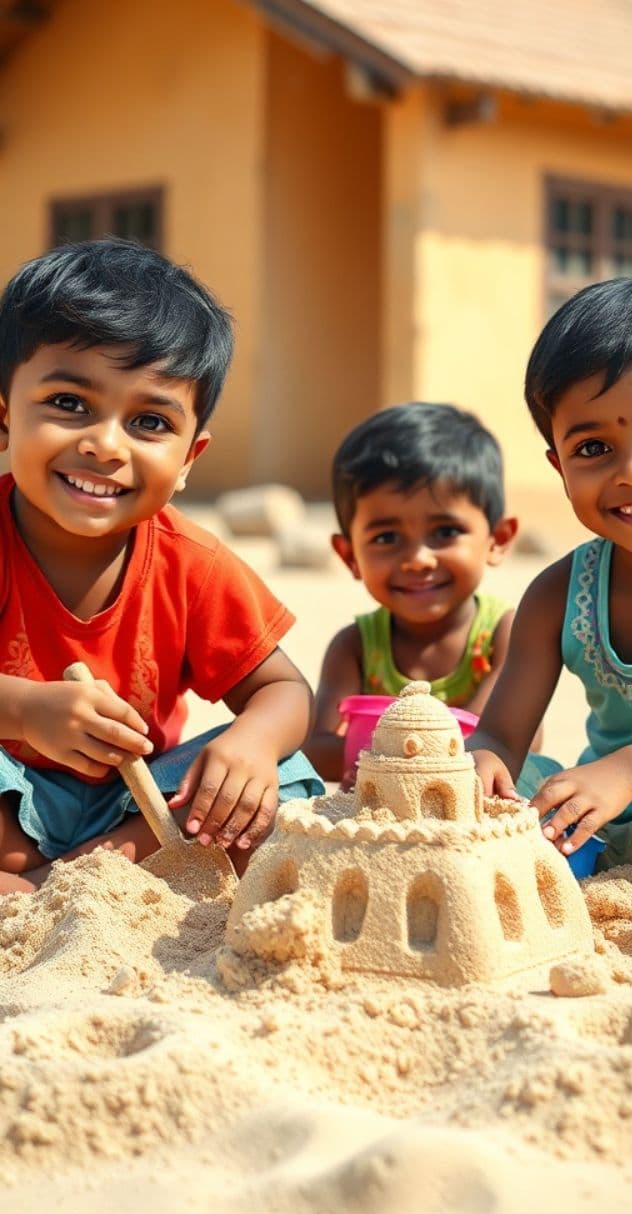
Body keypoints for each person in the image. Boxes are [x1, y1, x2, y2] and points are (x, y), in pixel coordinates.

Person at [0, 238, 321, 895]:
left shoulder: (191, 563)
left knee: (287, 778)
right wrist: (27, 710)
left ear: (189, 459)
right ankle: (37, 877)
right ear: (4, 416)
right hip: (10, 803)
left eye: (148, 421)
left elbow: (284, 693)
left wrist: (251, 746)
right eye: (69, 403)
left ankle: (75, 876)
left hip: (132, 811)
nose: (104, 444)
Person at [468, 275, 632, 876]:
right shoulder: (559, 593)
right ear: (558, 466)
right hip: (607, 818)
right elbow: (503, 734)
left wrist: (631, 768)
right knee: (511, 792)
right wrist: (483, 764)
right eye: (592, 449)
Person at [305, 402, 521, 782]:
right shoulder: (356, 647)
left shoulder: (501, 635)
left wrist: (396, 751)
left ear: (497, 540)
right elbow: (316, 747)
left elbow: (517, 736)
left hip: (479, 803)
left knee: (540, 773)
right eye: (387, 538)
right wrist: (384, 762)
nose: (419, 559)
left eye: (445, 532)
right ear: (349, 555)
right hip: (385, 806)